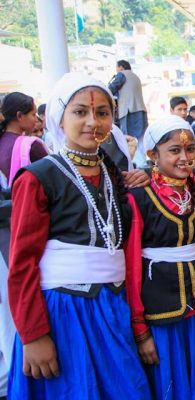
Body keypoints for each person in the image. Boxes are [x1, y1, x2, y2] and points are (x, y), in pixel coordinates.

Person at [7, 72, 151, 399]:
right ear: (58, 117)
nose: (92, 122)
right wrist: (33, 335)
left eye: (102, 113)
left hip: (112, 307)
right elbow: (21, 264)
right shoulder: (38, 177)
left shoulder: (113, 172)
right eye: (80, 112)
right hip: (64, 313)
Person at [125, 115, 195, 399]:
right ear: (152, 155)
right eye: (174, 150)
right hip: (160, 317)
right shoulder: (139, 198)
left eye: (190, 150)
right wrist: (140, 330)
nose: (185, 157)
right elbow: (133, 268)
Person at [0, 91, 47, 400]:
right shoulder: (32, 146)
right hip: (25, 231)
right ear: (20, 117)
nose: (36, 120)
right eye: (32, 114)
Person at [108, 60, 148, 164]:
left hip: (129, 111)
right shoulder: (136, 76)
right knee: (140, 139)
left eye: (117, 68)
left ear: (121, 67)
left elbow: (111, 89)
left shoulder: (122, 75)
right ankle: (142, 163)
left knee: (129, 139)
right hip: (141, 110)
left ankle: (134, 163)